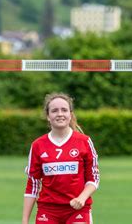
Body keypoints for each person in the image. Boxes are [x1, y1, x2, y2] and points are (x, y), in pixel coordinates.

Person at [22, 93, 100, 224]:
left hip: (78, 209)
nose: (60, 114)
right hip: (48, 210)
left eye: (64, 110)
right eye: (54, 110)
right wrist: (25, 221)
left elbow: (94, 178)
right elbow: (33, 184)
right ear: (48, 116)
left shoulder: (84, 141)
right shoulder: (37, 145)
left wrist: (82, 198)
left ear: (70, 114)